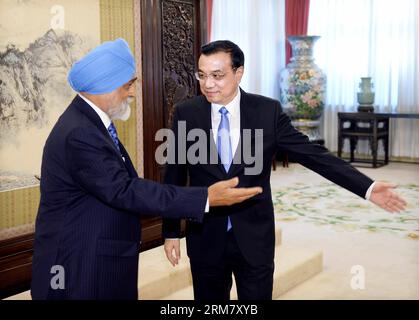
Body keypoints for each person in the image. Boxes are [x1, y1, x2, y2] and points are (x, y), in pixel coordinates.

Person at [162, 40, 407, 300]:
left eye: (217, 75)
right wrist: (170, 232)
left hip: (254, 239)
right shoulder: (186, 114)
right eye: (202, 75)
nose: (208, 84)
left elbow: (314, 156)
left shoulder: (266, 111)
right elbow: (174, 175)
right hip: (205, 237)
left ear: (239, 72)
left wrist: (366, 188)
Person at [30, 38, 262, 300]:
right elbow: (125, 189)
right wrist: (205, 197)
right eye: (128, 85)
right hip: (79, 265)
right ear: (104, 86)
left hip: (97, 258)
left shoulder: (90, 122)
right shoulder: (80, 133)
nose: (132, 93)